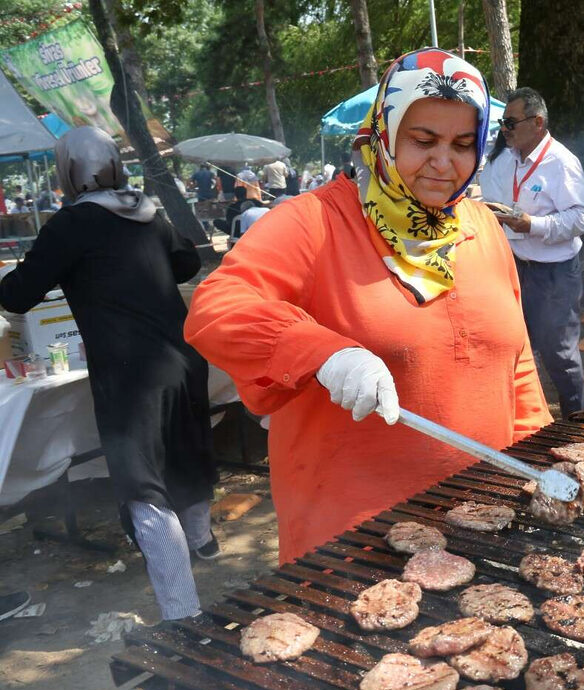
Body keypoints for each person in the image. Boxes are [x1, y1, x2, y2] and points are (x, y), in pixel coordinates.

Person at [185, 50, 552, 564]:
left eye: (463, 144)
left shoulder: (482, 225)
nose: (443, 163)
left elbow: (514, 366)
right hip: (351, 542)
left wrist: (535, 465)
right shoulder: (313, 221)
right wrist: (322, 351)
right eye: (422, 141)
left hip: (481, 520)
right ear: (383, 132)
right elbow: (218, 306)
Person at [0, 126, 218, 620]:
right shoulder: (146, 212)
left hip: (130, 375)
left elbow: (17, 295)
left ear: (66, 173)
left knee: (143, 486)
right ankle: (203, 541)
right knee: (185, 456)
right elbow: (185, 264)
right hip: (184, 358)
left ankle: (182, 613)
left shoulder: (70, 226)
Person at [480, 87, 584, 416]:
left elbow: (582, 217)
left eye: (511, 122)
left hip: (555, 272)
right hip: (517, 267)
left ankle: (576, 423)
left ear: (538, 122)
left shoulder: (561, 162)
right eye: (503, 123)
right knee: (515, 343)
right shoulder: (507, 160)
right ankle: (521, 421)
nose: (505, 129)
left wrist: (534, 225)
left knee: (559, 353)